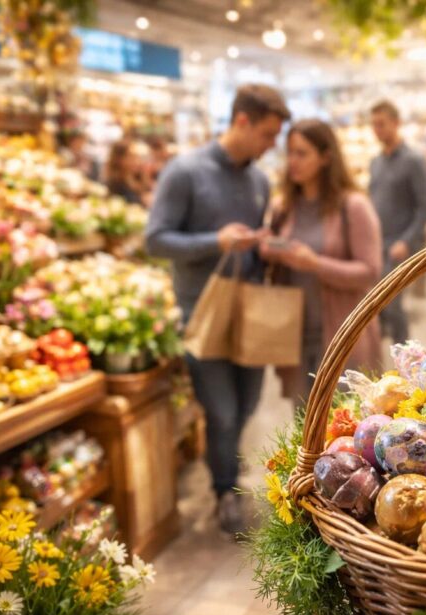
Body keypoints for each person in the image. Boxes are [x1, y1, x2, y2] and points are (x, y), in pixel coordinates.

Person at [145, 84, 290, 535]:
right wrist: (216, 241)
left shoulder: (259, 180)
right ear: (241, 121)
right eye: (267, 134)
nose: (271, 146)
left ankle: (226, 472)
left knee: (247, 405)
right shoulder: (185, 172)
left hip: (249, 312)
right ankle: (224, 489)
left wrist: (263, 248)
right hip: (202, 312)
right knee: (221, 411)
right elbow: (155, 239)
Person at [260, 119, 383, 401]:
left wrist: (314, 264)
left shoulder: (353, 206)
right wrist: (267, 247)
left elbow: (370, 271)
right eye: (289, 152)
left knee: (343, 423)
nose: (293, 161)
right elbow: (276, 252)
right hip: (294, 335)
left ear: (326, 157)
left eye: (302, 153)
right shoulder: (284, 206)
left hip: (342, 335)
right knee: (303, 424)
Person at [368, 100, 426, 343]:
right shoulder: (376, 162)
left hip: (400, 245)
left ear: (396, 124)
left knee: (392, 305)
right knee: (378, 305)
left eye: (381, 124)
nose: (377, 130)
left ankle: (406, 359)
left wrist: (407, 240)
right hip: (377, 244)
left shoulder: (413, 161)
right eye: (374, 125)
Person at [105, 139, 149, 205]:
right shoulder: (115, 184)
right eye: (131, 156)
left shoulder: (138, 177)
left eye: (136, 156)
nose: (136, 161)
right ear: (119, 159)